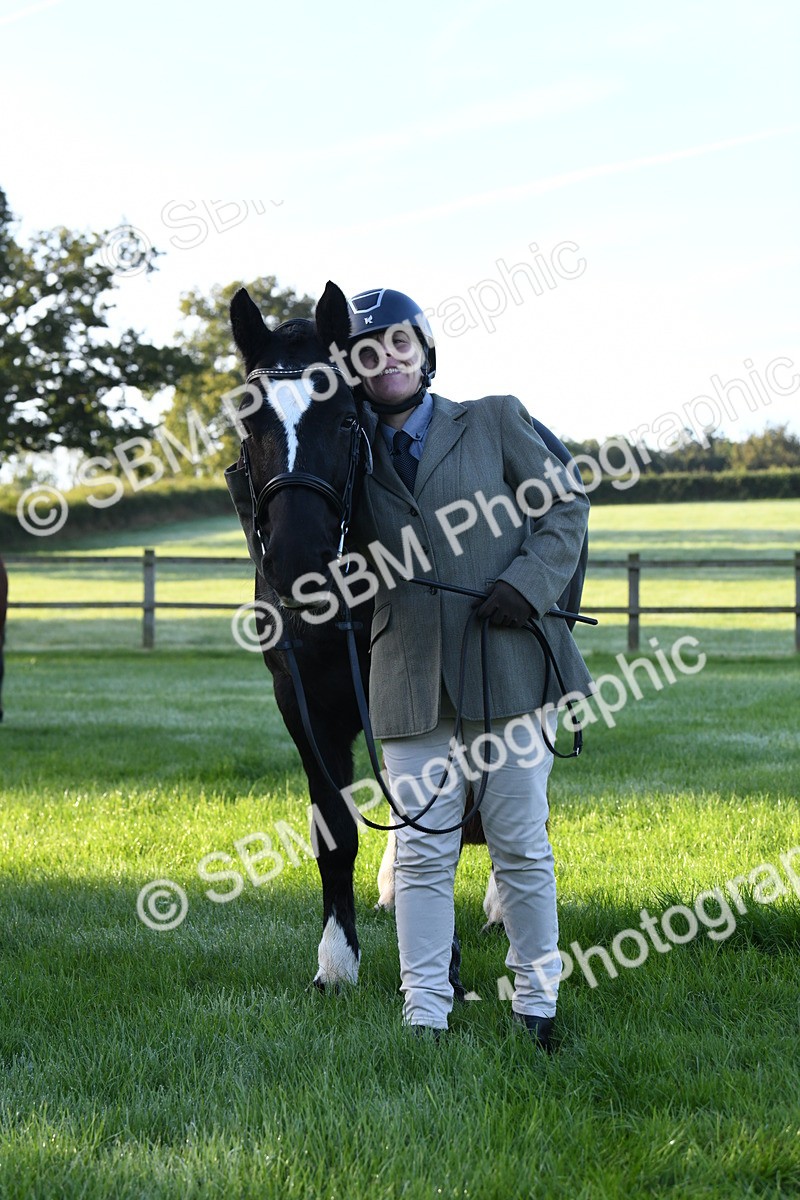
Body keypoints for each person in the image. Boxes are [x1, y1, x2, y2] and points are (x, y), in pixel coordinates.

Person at [346, 288, 593, 1049]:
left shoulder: (492, 417)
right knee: (420, 853)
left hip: (511, 669)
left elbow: (564, 510)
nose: (384, 358)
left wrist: (529, 583)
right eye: (366, 350)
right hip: (410, 677)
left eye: (398, 342)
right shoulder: (345, 446)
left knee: (520, 841)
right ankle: (425, 1012)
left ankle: (537, 1004)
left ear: (424, 351)